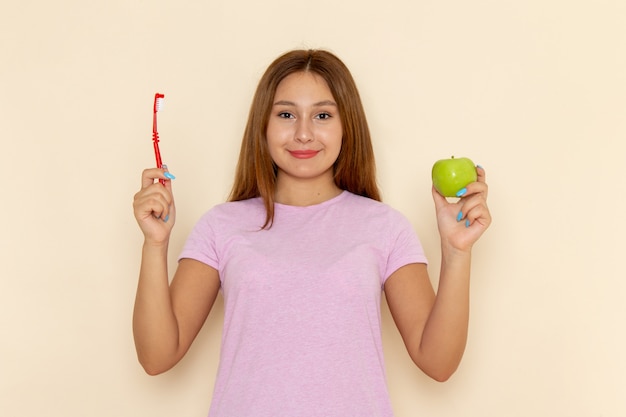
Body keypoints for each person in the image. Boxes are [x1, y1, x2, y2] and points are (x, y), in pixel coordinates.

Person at [132, 49, 491, 417]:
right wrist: (154, 244)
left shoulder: (385, 227)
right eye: (286, 114)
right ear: (264, 126)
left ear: (346, 125)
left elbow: (438, 363)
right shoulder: (221, 226)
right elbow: (157, 357)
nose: (303, 133)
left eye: (322, 115)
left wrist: (456, 252)